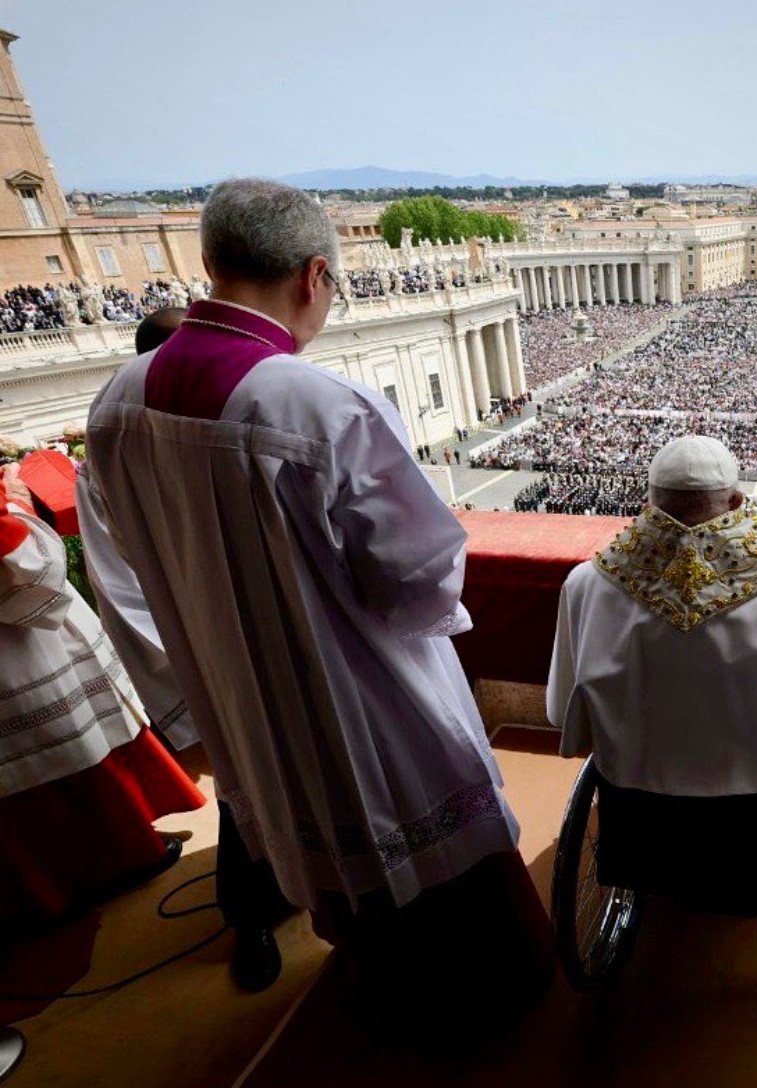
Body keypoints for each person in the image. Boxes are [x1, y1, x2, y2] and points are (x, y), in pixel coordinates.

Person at [84, 178, 553, 1028]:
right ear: (314, 277)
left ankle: (379, 987)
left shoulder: (116, 401)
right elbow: (416, 577)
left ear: (210, 264)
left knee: (317, 842)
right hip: (359, 690)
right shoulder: (321, 404)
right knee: (437, 860)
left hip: (235, 689)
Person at [76, 305, 290, 992]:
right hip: (208, 646)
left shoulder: (232, 423)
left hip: (278, 635)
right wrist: (194, 652)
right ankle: (252, 914)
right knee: (245, 788)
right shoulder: (110, 448)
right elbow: (120, 577)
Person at [547, 435, 757, 800]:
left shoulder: (584, 584)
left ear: (649, 500)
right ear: (736, 502)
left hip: (638, 805)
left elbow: (560, 712)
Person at [0, 461, 205, 930]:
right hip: (17, 649)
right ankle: (120, 859)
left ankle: (41, 888)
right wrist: (18, 500)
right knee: (66, 746)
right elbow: (25, 571)